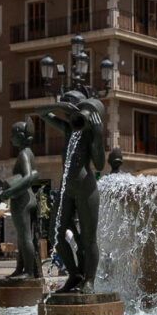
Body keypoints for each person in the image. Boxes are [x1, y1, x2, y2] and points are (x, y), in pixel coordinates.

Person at [37, 92, 106, 294]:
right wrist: (60, 106)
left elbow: (100, 164)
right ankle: (74, 274)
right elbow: (41, 114)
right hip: (66, 189)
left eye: (70, 102)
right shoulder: (68, 128)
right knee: (54, 234)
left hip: (86, 188)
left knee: (88, 238)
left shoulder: (90, 132)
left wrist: (98, 132)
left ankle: (89, 281)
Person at [0, 120, 41, 280]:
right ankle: (20, 269)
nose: (10, 138)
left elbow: (29, 177)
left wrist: (8, 193)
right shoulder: (29, 153)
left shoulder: (23, 154)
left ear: (20, 136)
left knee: (24, 237)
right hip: (27, 197)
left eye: (13, 134)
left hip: (22, 199)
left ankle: (28, 272)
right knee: (23, 237)